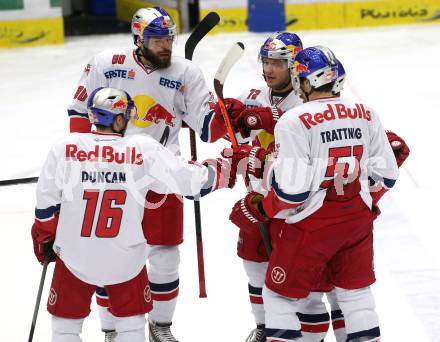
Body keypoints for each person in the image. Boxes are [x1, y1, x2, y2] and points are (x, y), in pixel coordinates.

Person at [67, 7, 242, 342]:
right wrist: (82, 158)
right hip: (111, 174)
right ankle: (113, 329)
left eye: (169, 39)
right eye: (157, 39)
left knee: (165, 256)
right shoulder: (106, 62)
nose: (166, 46)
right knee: (111, 255)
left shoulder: (186, 72)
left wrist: (225, 115)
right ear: (138, 38)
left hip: (163, 172)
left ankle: (160, 326)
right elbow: (78, 111)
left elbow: (205, 125)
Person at [32, 87, 235, 342]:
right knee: (131, 328)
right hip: (125, 259)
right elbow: (191, 183)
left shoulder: (65, 147)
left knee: (65, 328)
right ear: (118, 119)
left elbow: (45, 207)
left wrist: (44, 238)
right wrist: (224, 168)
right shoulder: (143, 149)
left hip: (75, 257)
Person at [227, 46, 400, 341]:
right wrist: (359, 202)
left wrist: (259, 207)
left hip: (312, 224)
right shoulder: (365, 112)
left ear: (306, 82)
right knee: (355, 296)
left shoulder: (294, 120)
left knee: (279, 296)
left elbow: (292, 192)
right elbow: (387, 174)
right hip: (357, 222)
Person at [225, 33, 348, 342]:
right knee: (254, 263)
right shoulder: (252, 93)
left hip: (304, 204)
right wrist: (224, 118)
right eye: (266, 61)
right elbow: (235, 142)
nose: (269, 69)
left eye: (278, 63)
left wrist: (266, 121)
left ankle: (325, 333)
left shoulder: (312, 96)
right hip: (261, 197)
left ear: (296, 65)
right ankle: (265, 326)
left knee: (318, 281)